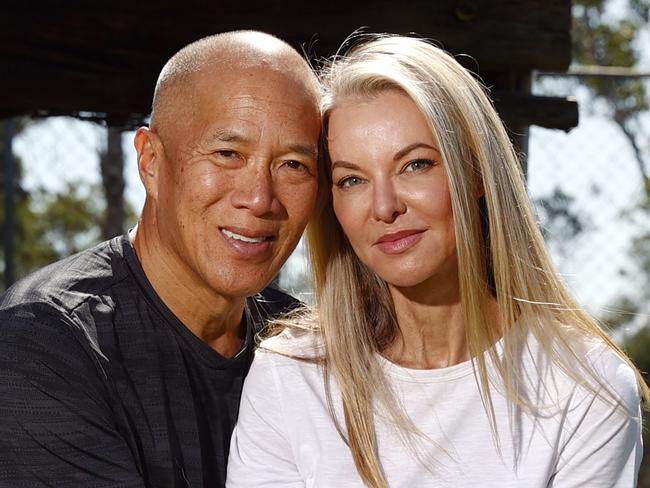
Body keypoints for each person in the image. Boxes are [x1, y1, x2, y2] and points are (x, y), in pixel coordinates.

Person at [226, 35, 649, 487]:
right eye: (352, 179)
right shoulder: (290, 375)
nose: (384, 207)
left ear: (476, 169)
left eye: (415, 165)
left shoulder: (586, 387)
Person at [0, 30, 321, 487]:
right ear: (151, 162)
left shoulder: (307, 348)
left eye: (293, 164)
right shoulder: (45, 344)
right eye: (228, 154)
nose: (259, 198)